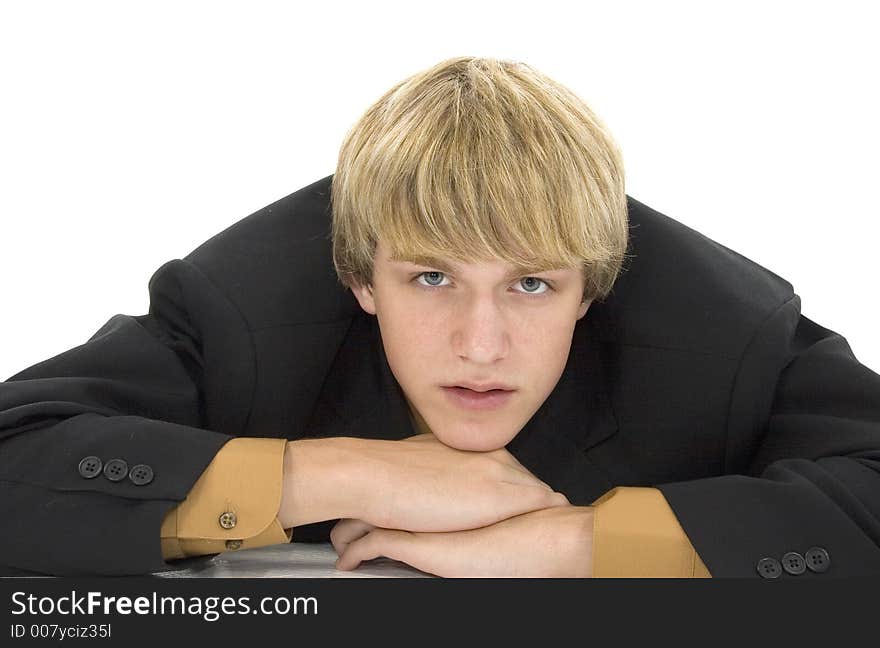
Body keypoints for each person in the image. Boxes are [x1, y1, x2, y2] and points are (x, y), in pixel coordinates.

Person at [2, 56, 878, 578]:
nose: (481, 344)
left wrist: (576, 542)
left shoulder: (719, 332)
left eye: (532, 286)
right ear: (357, 277)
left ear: (596, 289)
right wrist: (337, 475)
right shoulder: (241, 310)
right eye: (430, 278)